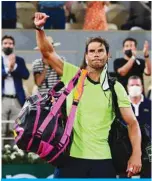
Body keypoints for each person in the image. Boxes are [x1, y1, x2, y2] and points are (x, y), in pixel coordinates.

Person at [34, 12, 142, 178]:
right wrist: (39, 28)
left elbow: (133, 123)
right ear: (86, 56)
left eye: (100, 50)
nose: (96, 54)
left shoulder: (116, 87)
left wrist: (136, 154)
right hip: (70, 159)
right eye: (92, 51)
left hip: (103, 161)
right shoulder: (73, 75)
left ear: (108, 55)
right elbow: (47, 53)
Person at [121, 75, 151, 178]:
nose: (134, 87)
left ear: (142, 87)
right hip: (126, 147)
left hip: (148, 148)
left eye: (137, 85)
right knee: (124, 174)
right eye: (132, 85)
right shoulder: (121, 106)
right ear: (127, 87)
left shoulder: (149, 105)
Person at [2, 35, 30, 140]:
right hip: (2, 99)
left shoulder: (19, 60)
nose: (8, 45)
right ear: (1, 45)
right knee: (2, 129)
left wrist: (15, 67)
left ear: (13, 45)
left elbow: (26, 75)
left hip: (17, 99)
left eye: (10, 43)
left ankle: (14, 155)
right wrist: (8, 69)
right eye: (5, 43)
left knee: (15, 129)